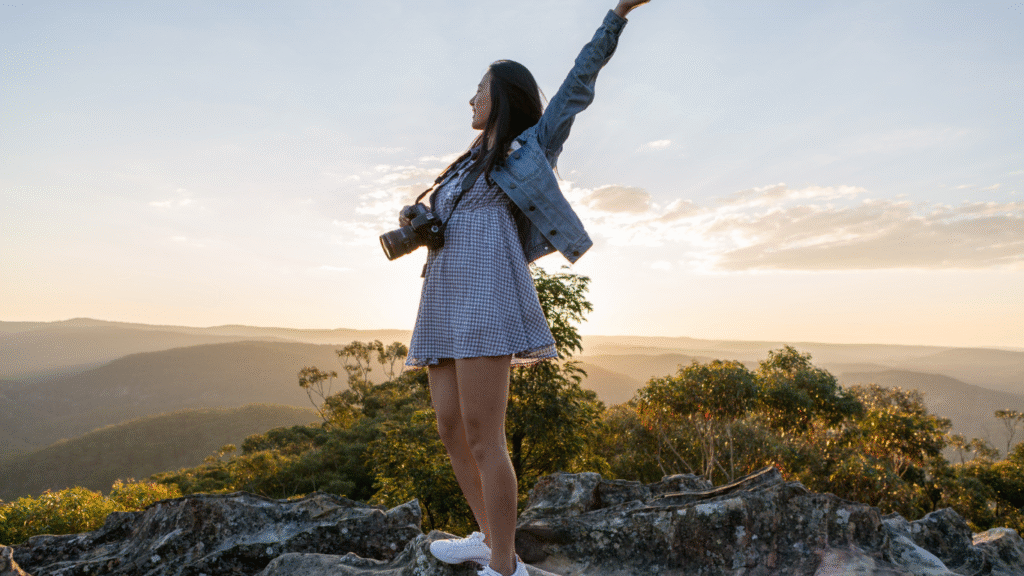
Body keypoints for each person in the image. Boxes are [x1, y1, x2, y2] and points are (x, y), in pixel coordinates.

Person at [401, 2, 650, 575]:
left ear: (504, 95)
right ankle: (493, 541)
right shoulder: (464, 163)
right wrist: (418, 218)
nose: (470, 99)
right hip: (443, 297)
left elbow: (577, 85)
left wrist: (618, 14)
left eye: (479, 89)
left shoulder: (529, 148)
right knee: (450, 429)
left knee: (487, 437)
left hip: (488, 297)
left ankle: (504, 568)